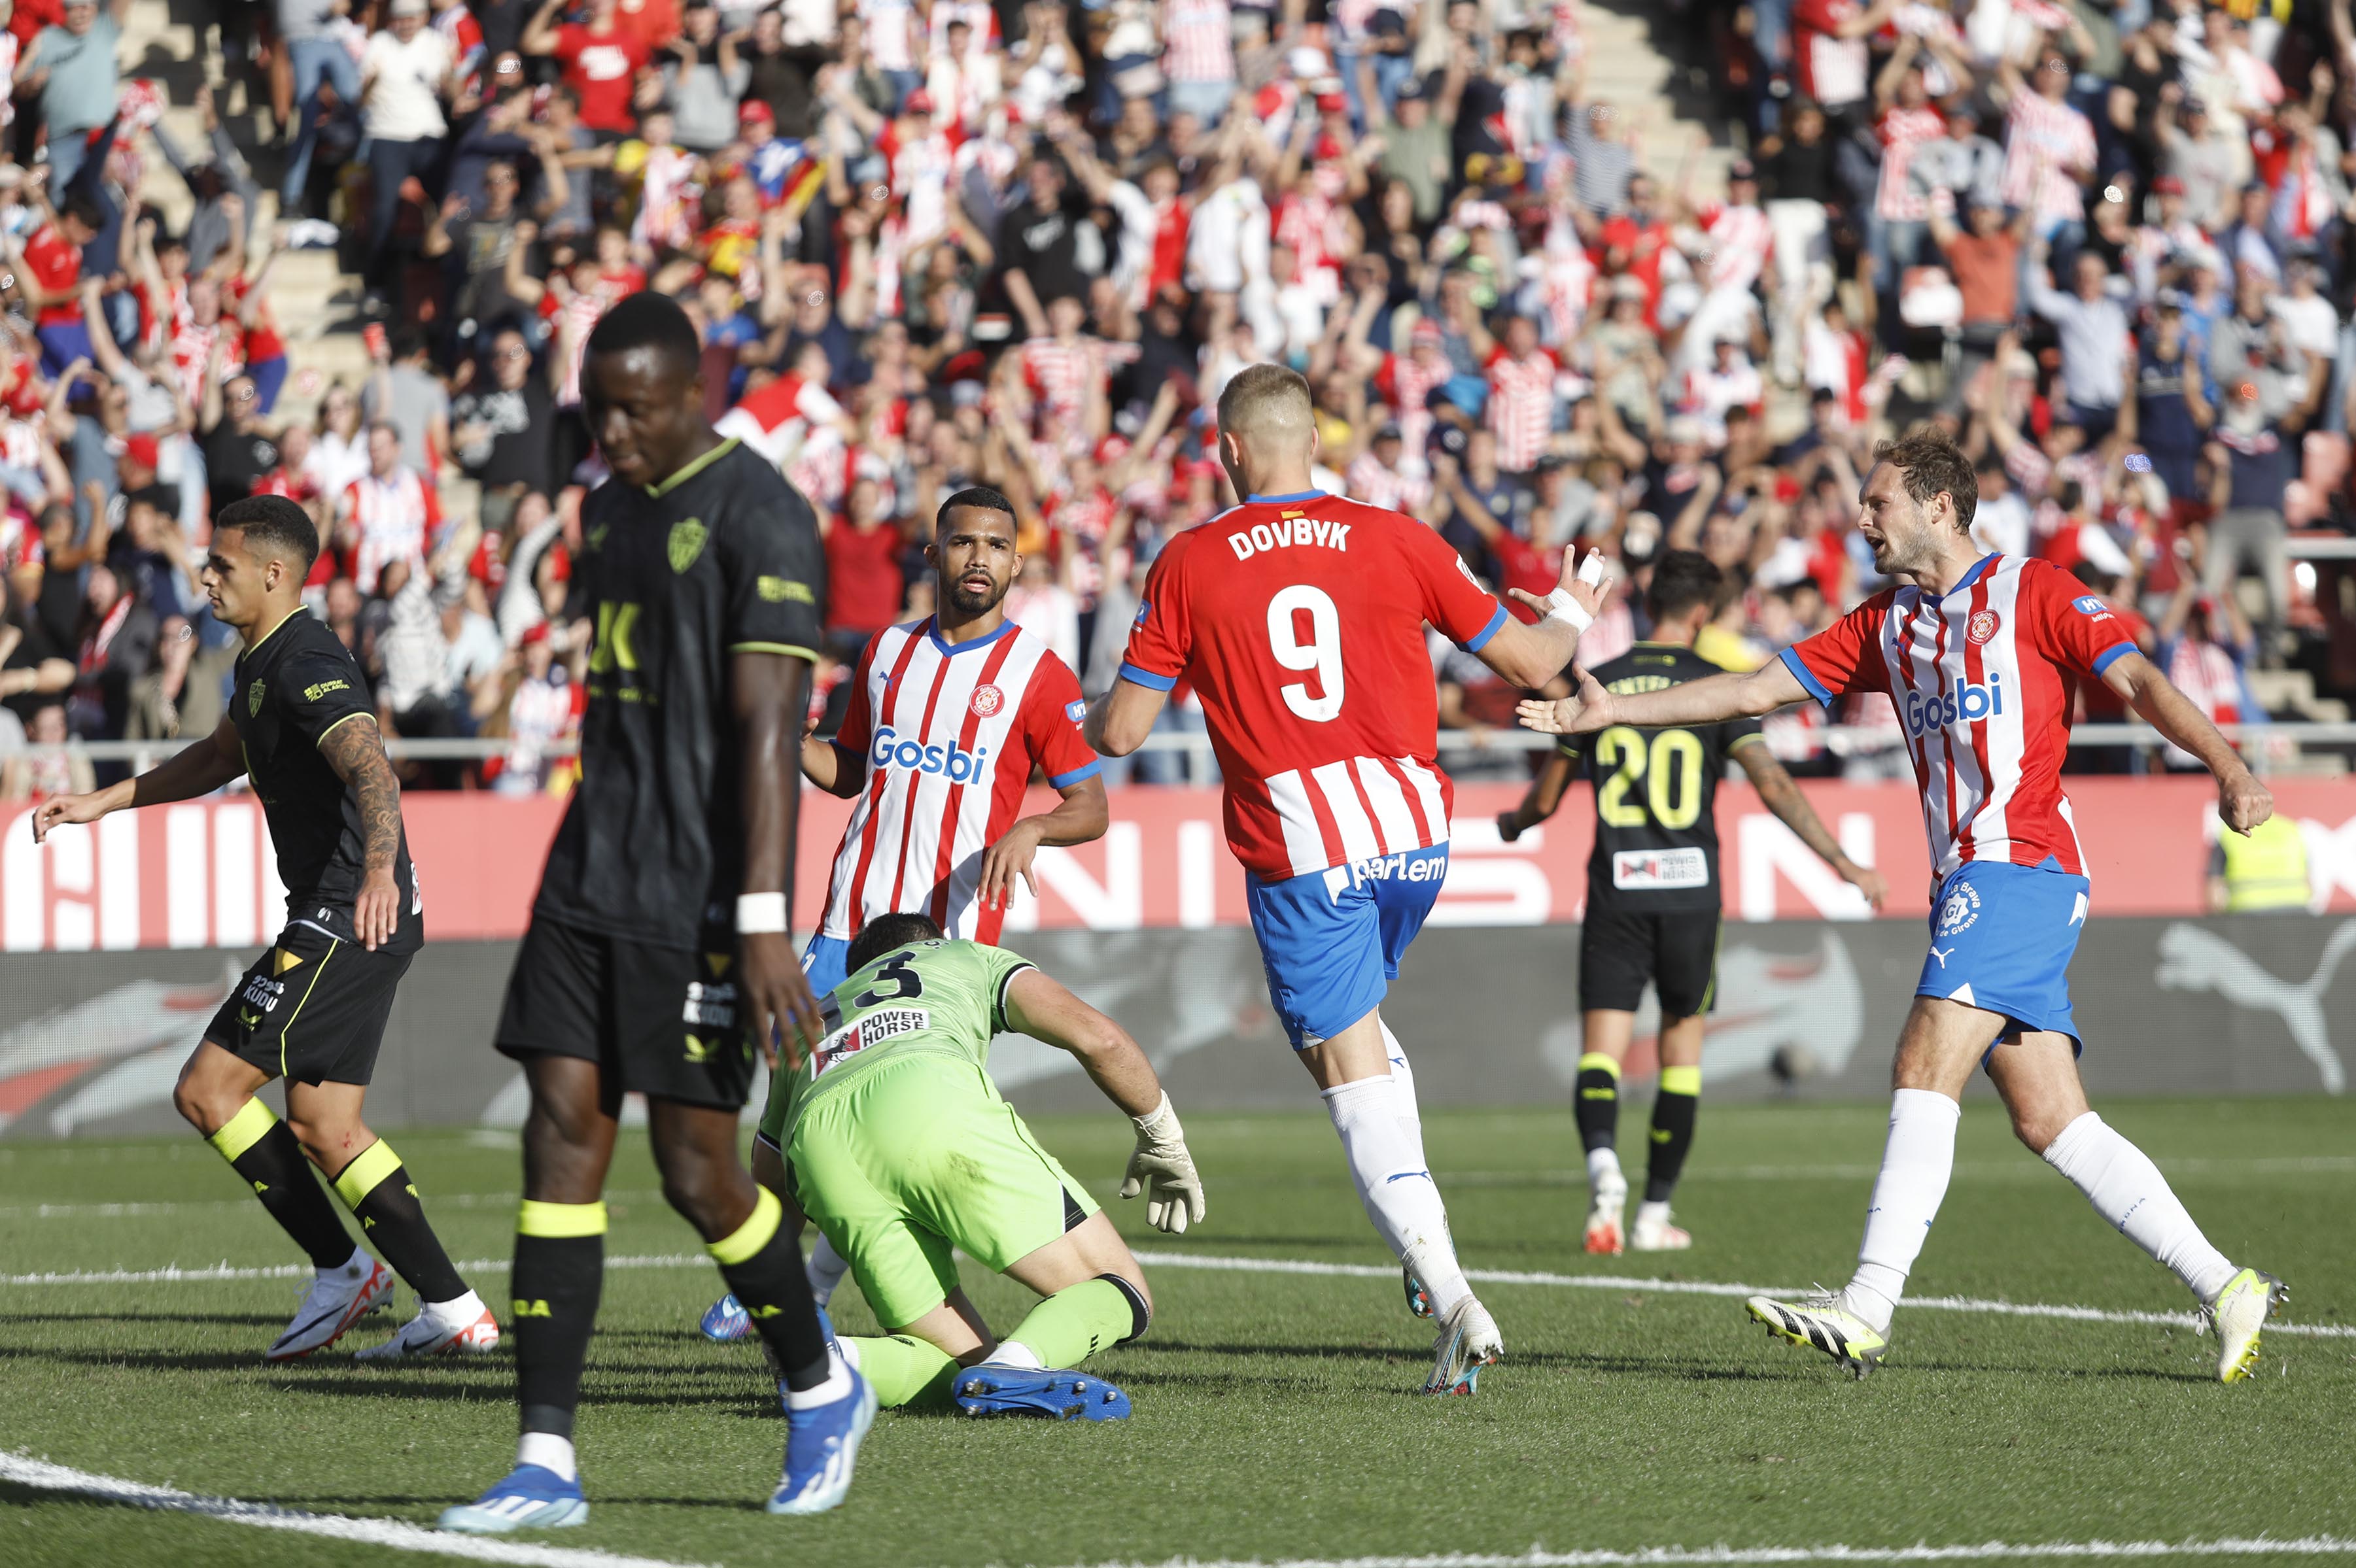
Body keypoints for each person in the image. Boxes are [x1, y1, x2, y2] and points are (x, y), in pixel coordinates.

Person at [1517, 429, 2287, 1384]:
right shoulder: (1885, 623)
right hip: (1971, 881)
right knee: (2050, 1119)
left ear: (1940, 506)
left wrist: (2228, 766)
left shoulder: (2035, 592)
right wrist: (1611, 711)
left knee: (1923, 1057)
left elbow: (2134, 679)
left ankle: (1867, 1303)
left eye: (1879, 502)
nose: (1862, 517)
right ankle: (2226, 1285)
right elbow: (1757, 686)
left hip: (2020, 865)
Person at [1085, 362, 1607, 1396]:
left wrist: (1117, 696)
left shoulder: (1189, 561)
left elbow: (1122, 729)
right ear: (1314, 442)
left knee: (1343, 1072)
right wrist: (1578, 602)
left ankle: (1452, 1292)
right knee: (1359, 1031)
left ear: (1228, 450)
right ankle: (1424, 1258)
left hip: (1302, 846)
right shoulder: (1397, 534)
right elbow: (1536, 657)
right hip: (1415, 834)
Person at [439, 294, 867, 1535]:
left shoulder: (761, 512)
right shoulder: (608, 504)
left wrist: (762, 916)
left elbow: (767, 728)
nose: (612, 431)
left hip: (700, 892)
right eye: (597, 408)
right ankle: (543, 1459)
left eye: (633, 409)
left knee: (696, 1170)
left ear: (689, 394)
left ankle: (819, 1384)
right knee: (560, 1130)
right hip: (588, 873)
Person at [33, 495, 495, 1362]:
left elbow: (371, 765)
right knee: (326, 1125)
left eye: (222, 565)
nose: (206, 576)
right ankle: (454, 1307)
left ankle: (342, 1266)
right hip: (345, 910)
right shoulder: (256, 662)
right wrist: (101, 800)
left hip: (349, 909)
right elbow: (215, 757)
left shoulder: (307, 657)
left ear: (274, 573)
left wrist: (382, 870)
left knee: (207, 1089)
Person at [698, 482, 1110, 1344]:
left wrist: (1034, 824)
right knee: (789, 1105)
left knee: (883, 1113)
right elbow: (848, 768)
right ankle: (772, 1274)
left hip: (946, 947)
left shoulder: (1036, 674)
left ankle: (804, 1286)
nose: (979, 559)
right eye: (963, 543)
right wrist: (776, 737)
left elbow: (1091, 804)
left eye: (997, 546)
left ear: (1016, 561)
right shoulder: (884, 652)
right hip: (846, 922)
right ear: (933, 553)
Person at [1497, 551, 1890, 1254]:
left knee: (1601, 1051)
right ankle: (1652, 1213)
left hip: (1616, 886)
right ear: (1702, 614)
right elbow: (1770, 785)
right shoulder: (1712, 689)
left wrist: (1514, 823)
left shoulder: (1602, 683)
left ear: (1648, 606)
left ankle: (1601, 1170)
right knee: (1680, 1053)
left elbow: (1548, 797)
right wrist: (1842, 862)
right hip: (1688, 894)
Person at [753, 912, 1202, 1418]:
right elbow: (1102, 1039)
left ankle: (828, 1361)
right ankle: (1023, 1363)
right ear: (931, 943)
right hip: (927, 1097)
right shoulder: (964, 955)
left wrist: (775, 1293)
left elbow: (769, 1174)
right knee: (1121, 1291)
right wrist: (1161, 1136)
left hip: (819, 1152)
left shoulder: (812, 1014)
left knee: (961, 1369)